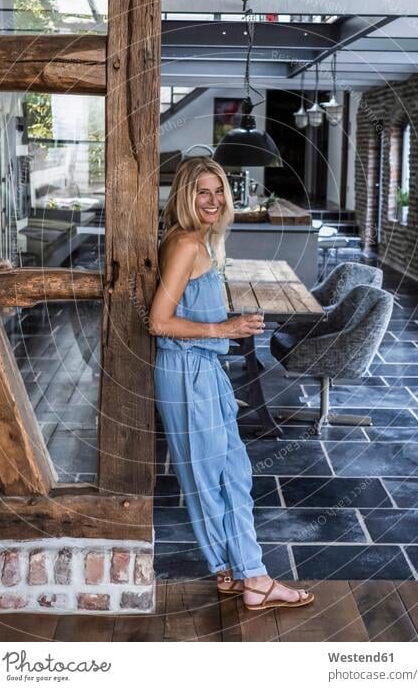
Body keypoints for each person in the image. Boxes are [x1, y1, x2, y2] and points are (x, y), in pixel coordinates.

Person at [149, 156, 314, 611]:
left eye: (219, 191)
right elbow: (159, 322)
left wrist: (229, 323)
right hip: (187, 370)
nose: (213, 200)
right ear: (185, 195)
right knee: (222, 477)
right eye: (203, 191)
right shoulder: (185, 243)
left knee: (216, 476)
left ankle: (228, 571)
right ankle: (255, 579)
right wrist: (225, 330)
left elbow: (189, 309)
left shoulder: (203, 242)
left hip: (199, 368)